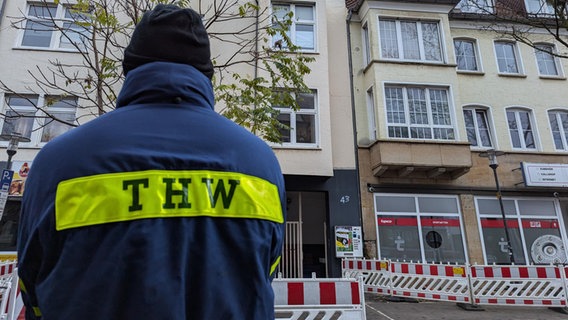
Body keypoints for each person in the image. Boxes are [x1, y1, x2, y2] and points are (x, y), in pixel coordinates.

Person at [17, 4, 285, 319]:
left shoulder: (58, 161)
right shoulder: (259, 162)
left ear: (129, 69)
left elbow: (32, 283)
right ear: (207, 75)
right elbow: (266, 270)